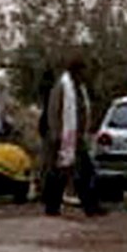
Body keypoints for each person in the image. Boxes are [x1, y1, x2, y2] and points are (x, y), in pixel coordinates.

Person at [38, 58, 104, 217]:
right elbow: (53, 112)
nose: (85, 74)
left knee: (83, 172)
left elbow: (83, 112)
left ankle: (90, 207)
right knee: (61, 173)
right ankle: (53, 207)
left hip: (77, 138)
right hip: (63, 138)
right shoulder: (62, 86)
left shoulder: (79, 88)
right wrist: (57, 135)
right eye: (83, 70)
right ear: (76, 71)